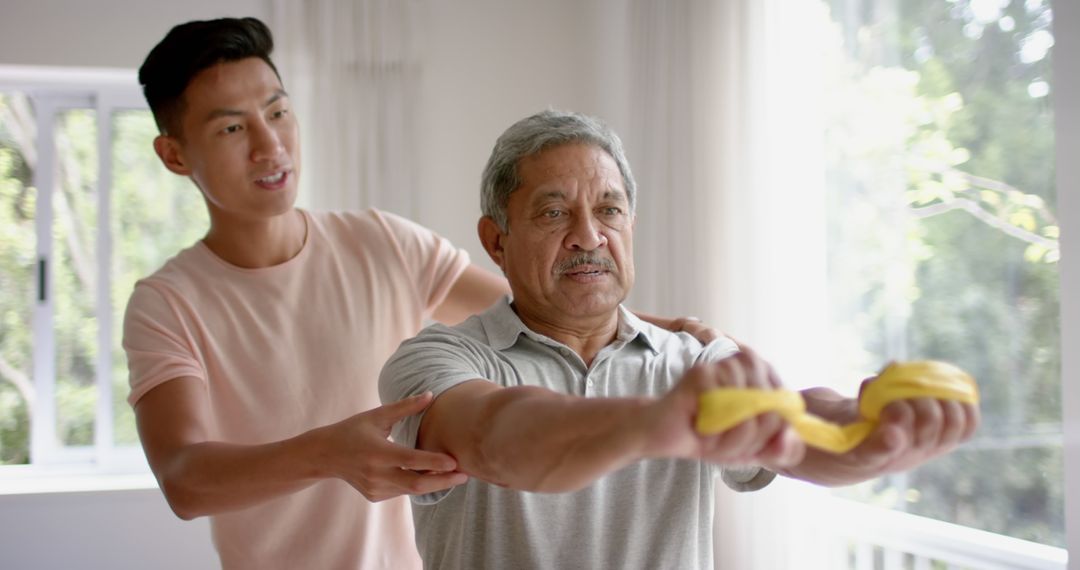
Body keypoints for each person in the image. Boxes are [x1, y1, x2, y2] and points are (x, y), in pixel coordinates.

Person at [123, 18, 715, 569]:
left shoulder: (379, 241)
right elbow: (185, 478)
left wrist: (669, 331)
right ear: (174, 154)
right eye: (232, 127)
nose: (269, 145)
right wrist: (328, 453)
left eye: (277, 113)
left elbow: (540, 302)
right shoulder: (167, 302)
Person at [378, 109, 981, 569]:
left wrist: (865, 433)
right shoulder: (437, 359)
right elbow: (497, 435)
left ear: (630, 226)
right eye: (554, 213)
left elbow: (798, 423)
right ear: (496, 241)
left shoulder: (692, 362)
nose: (588, 236)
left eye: (609, 210)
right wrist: (654, 423)